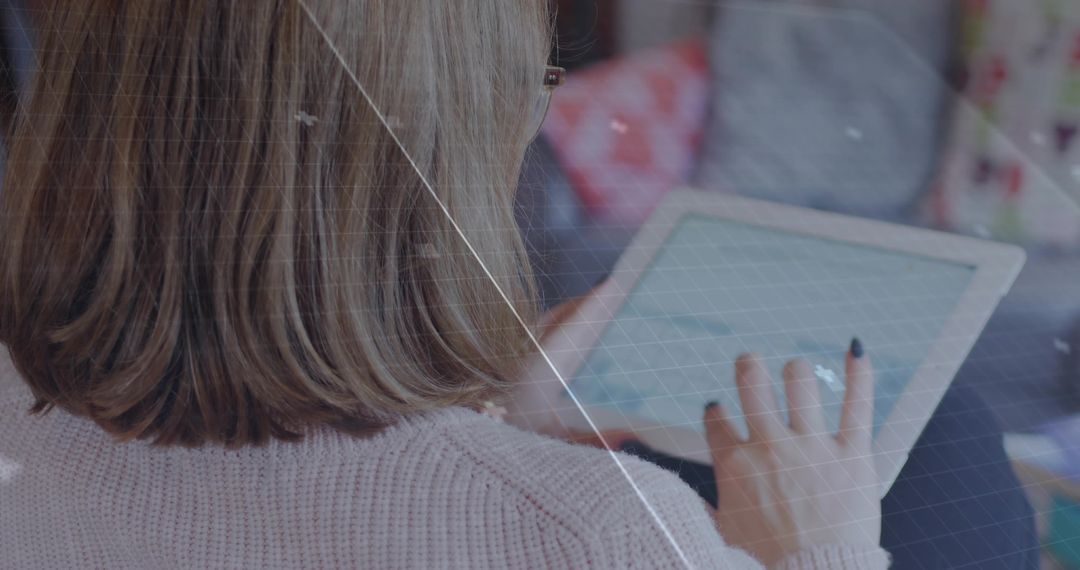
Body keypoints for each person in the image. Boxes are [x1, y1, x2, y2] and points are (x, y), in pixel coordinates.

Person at [0, 2, 891, 568]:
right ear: (454, 154)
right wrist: (817, 548)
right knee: (947, 441)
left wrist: (491, 426)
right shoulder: (606, 534)